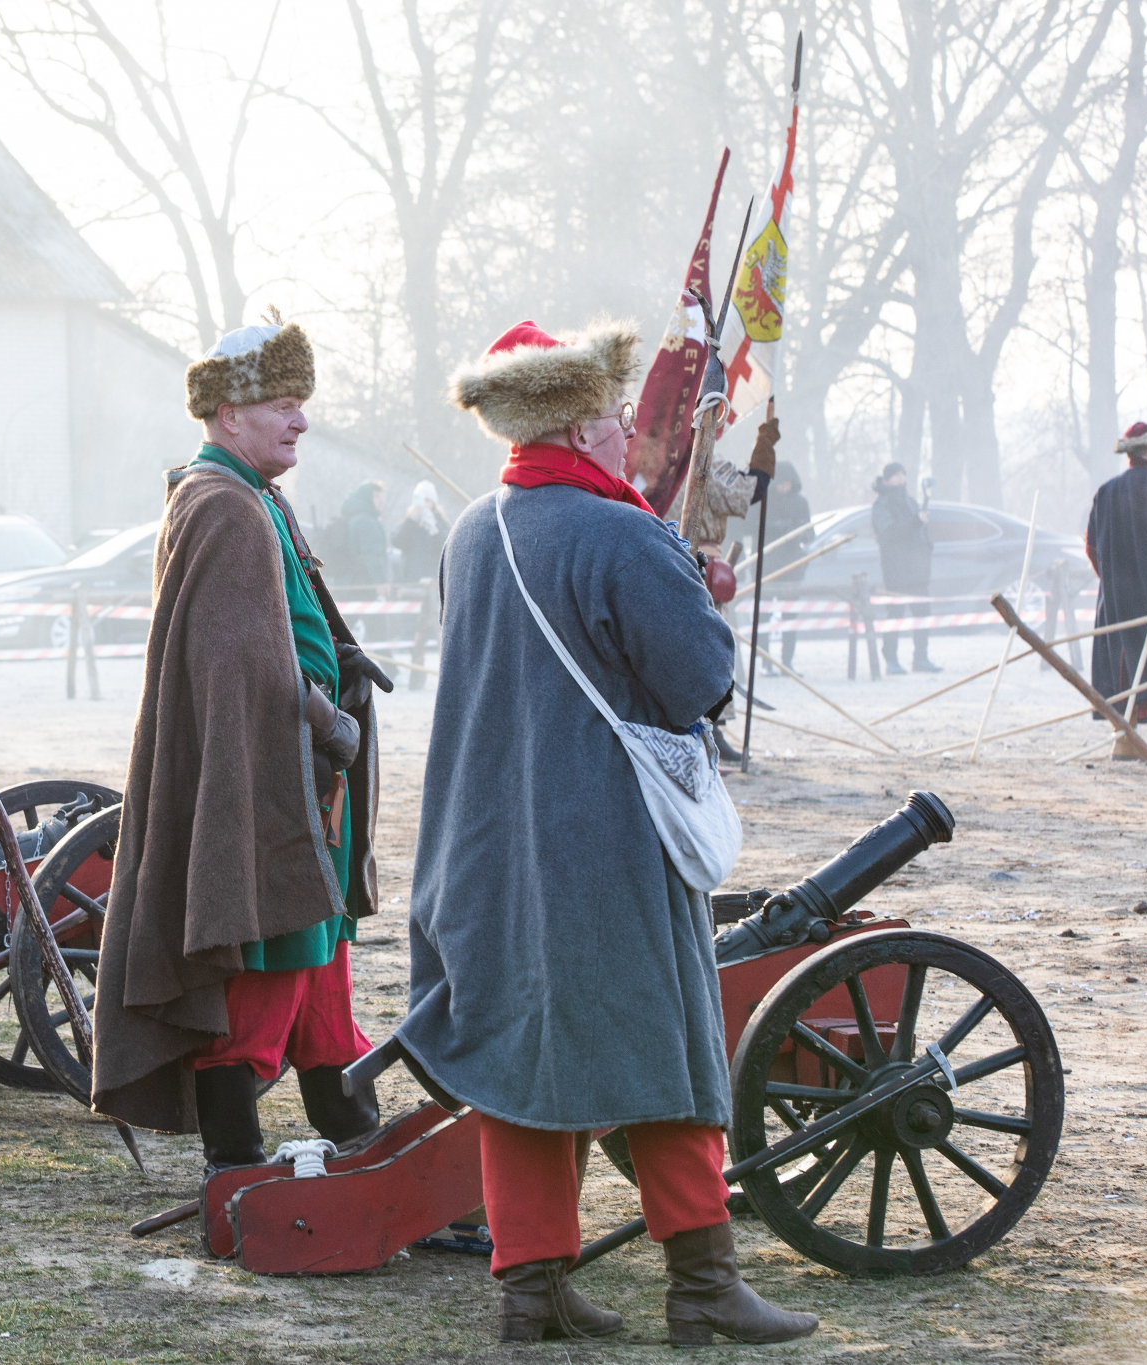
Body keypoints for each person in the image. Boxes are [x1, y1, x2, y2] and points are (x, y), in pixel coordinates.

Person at [405, 318, 816, 1345]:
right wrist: (699, 594)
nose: (632, 428)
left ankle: (528, 1293)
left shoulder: (471, 530)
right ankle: (703, 1290)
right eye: (620, 414)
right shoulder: (621, 533)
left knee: (523, 1069)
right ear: (585, 423)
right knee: (667, 1057)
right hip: (604, 844)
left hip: (485, 846)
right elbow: (699, 683)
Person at [91, 317, 386, 1178]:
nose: (300, 422)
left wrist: (342, 655)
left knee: (318, 969)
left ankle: (355, 1131)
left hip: (299, 780)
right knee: (261, 972)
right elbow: (241, 668)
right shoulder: (223, 504)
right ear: (227, 412)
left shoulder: (253, 495)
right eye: (283, 406)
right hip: (265, 780)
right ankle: (236, 1166)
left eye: (302, 406)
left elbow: (282, 627)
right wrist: (331, 722)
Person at [1086, 404, 1147, 752]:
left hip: (1115, 602)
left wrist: (1112, 581)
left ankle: (1123, 740)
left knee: (1123, 667)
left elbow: (1091, 548)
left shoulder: (1105, 493)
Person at [870, 462, 937, 673]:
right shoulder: (881, 505)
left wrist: (926, 548)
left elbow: (920, 534)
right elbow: (889, 533)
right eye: (896, 475)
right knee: (895, 616)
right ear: (886, 479)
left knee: (922, 613)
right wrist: (916, 522)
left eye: (903, 475)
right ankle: (891, 660)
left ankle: (921, 658)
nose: (900, 479)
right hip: (896, 571)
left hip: (917, 570)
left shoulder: (910, 501)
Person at [762, 460, 814, 670]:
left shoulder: (801, 503)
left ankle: (787, 660)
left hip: (792, 566)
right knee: (764, 613)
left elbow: (810, 534)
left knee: (790, 614)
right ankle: (766, 661)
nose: (785, 487)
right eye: (781, 483)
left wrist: (800, 530)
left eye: (788, 483)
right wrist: (778, 529)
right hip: (768, 565)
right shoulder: (765, 503)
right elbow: (756, 531)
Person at [391, 480, 449, 584]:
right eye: (420, 500)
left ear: (433, 503)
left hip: (434, 581)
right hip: (412, 580)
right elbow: (396, 541)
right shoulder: (409, 523)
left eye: (427, 500)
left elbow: (449, 546)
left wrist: (435, 530)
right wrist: (410, 522)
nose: (423, 505)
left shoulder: (441, 523)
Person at [337, 479, 390, 586]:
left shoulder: (351, 517)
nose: (381, 501)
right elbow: (372, 554)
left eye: (381, 497)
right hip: (364, 583)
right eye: (376, 497)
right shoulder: (367, 522)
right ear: (367, 498)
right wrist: (381, 582)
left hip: (346, 582)